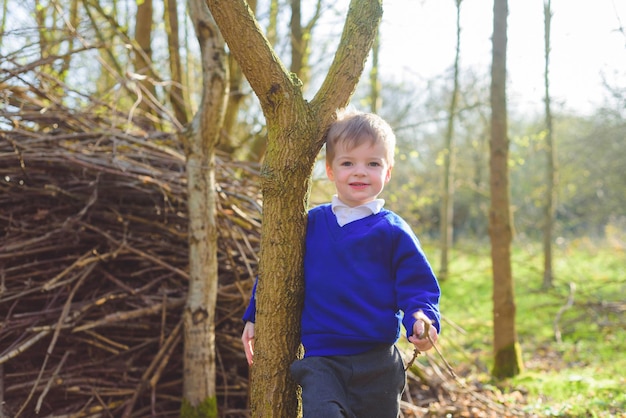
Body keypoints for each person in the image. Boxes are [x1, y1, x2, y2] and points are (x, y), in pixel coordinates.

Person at [241, 109, 441, 418]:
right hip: (323, 361)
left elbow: (418, 286)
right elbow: (275, 272)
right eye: (348, 163)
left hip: (378, 364)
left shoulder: (393, 231)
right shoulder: (310, 224)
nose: (360, 172)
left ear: (387, 172)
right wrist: (255, 315)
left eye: (373, 163)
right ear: (330, 170)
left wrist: (421, 320)